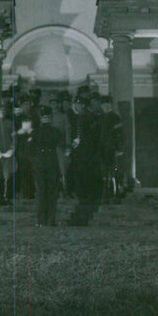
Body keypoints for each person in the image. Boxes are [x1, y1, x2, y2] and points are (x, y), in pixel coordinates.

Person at [67, 94, 102, 226]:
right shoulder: (89, 116)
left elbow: (86, 136)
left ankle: (82, 215)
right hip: (88, 154)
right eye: (75, 104)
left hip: (85, 155)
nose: (77, 106)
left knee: (84, 181)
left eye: (79, 104)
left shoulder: (84, 117)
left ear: (83, 105)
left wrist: (78, 142)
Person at [28, 106, 63, 226]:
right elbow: (29, 149)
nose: (46, 119)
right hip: (40, 163)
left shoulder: (56, 132)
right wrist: (34, 161)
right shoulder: (35, 132)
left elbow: (61, 146)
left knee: (52, 192)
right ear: (41, 119)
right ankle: (41, 220)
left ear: (51, 118)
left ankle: (50, 220)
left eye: (48, 117)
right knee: (41, 191)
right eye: (44, 117)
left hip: (52, 162)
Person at [98, 95, 124, 202]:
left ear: (111, 105)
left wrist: (119, 148)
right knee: (103, 171)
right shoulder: (99, 117)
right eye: (103, 104)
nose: (105, 106)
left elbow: (120, 134)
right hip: (101, 149)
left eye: (107, 104)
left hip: (112, 148)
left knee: (113, 171)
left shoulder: (115, 118)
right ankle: (104, 194)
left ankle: (115, 193)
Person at [49, 94, 72, 194]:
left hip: (60, 145)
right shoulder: (47, 116)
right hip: (49, 147)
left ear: (58, 105)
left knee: (62, 166)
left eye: (55, 103)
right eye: (52, 103)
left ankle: (64, 186)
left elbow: (68, 131)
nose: (54, 105)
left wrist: (68, 145)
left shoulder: (63, 116)